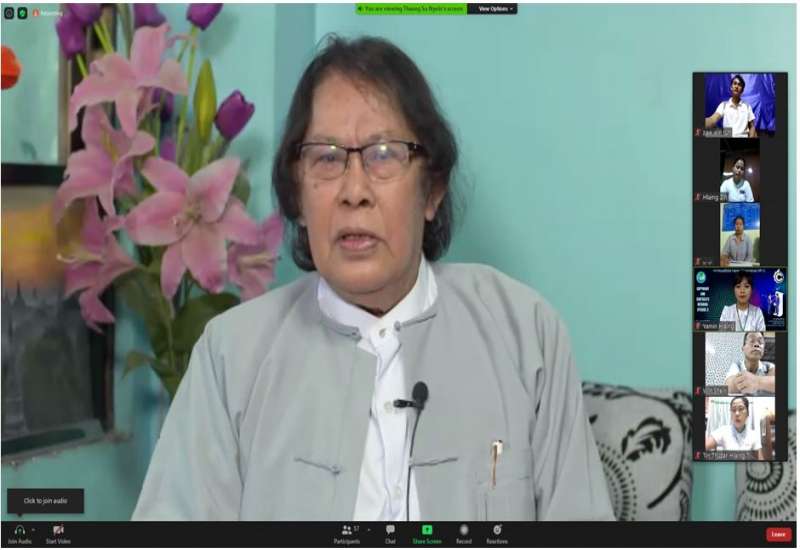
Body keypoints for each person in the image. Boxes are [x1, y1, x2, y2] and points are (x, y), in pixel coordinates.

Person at [132, 36, 614, 521]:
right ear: (298, 198)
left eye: (384, 154)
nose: (354, 191)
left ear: (432, 191)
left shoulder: (526, 334)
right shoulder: (230, 356)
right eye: (326, 157)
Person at [724, 331, 775, 396]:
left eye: (760, 342)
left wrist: (756, 381)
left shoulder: (769, 366)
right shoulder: (736, 365)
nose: (757, 345)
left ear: (764, 349)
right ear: (743, 348)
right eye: (751, 341)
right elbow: (728, 387)